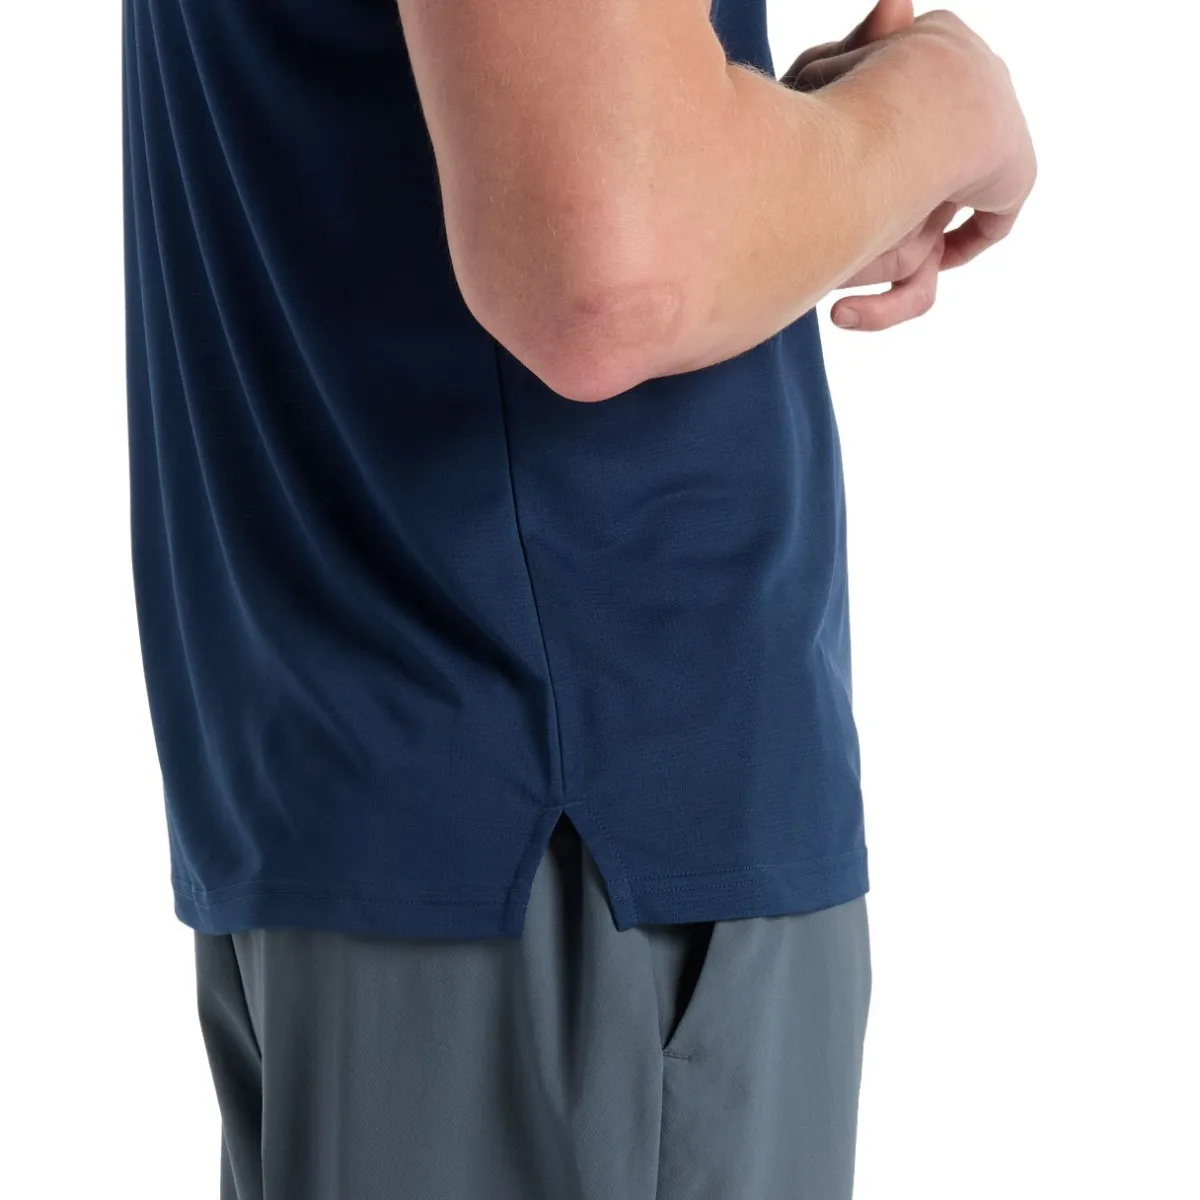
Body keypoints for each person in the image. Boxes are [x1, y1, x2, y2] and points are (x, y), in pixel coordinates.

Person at [121, 0, 1034, 1196]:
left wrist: (778, 160)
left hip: (370, 798)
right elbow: (610, 273)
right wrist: (947, 106)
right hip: (581, 834)